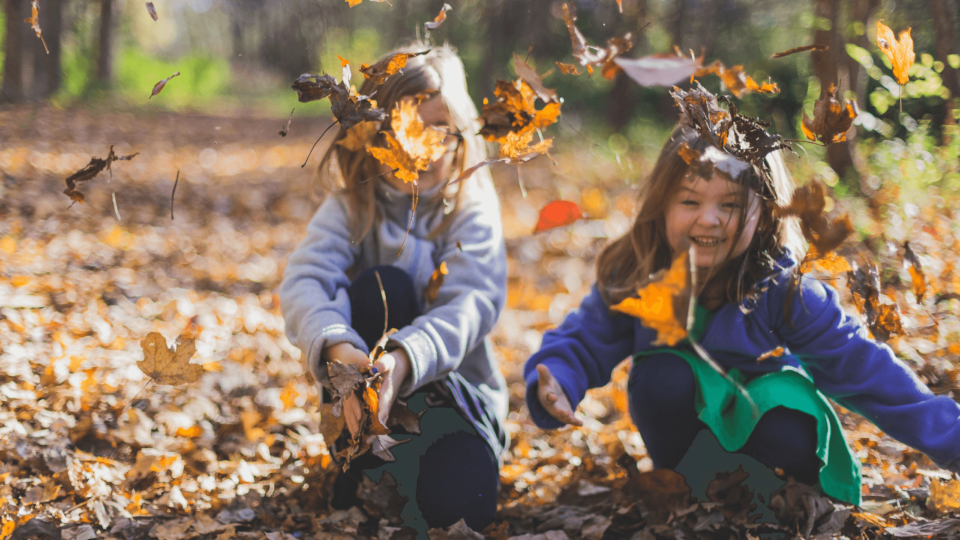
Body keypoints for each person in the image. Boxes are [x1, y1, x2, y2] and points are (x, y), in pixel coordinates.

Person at [524, 94, 960, 511]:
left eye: (730, 205)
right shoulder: (641, 273)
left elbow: (865, 370)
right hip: (688, 443)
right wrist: (559, 378)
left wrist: (953, 441)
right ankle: (692, 490)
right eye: (690, 200)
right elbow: (586, 338)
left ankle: (775, 500)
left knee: (783, 411)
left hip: (775, 442)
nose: (708, 218)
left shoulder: (785, 290)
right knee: (660, 374)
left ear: (766, 213)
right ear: (662, 205)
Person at [280, 44, 508, 536]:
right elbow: (305, 281)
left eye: (438, 131)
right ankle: (365, 460)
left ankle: (421, 471)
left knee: (461, 510)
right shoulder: (351, 208)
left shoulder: (469, 210)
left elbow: (472, 303)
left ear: (460, 135)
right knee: (382, 285)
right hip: (361, 404)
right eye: (404, 129)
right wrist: (341, 350)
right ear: (371, 136)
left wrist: (402, 361)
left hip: (456, 405)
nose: (423, 147)